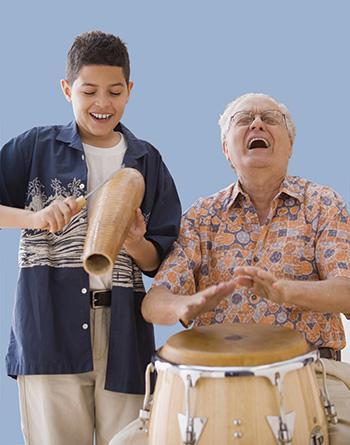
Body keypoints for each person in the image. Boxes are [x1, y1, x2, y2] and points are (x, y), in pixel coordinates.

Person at [0, 30, 181, 445]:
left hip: (124, 332)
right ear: (67, 89)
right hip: (48, 326)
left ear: (130, 91)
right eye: (89, 91)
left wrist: (135, 242)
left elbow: (162, 259)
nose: (103, 104)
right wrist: (34, 217)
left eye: (115, 91)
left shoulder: (147, 160)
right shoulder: (33, 148)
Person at [141, 93, 350, 444]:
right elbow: (153, 303)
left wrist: (285, 291)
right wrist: (184, 306)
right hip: (210, 382)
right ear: (226, 149)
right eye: (244, 119)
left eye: (269, 117)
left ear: (290, 145)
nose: (257, 123)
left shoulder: (323, 204)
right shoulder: (201, 216)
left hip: (312, 374)